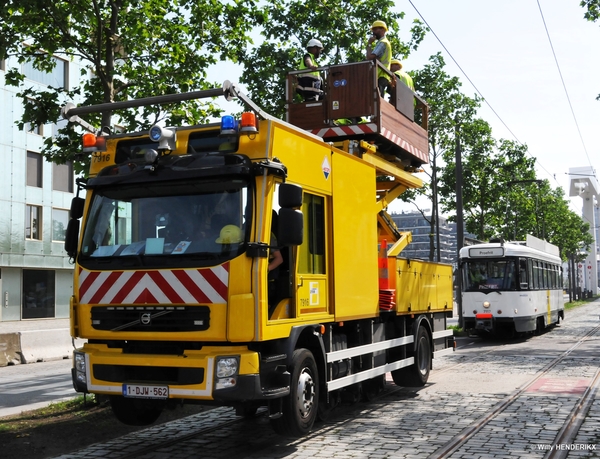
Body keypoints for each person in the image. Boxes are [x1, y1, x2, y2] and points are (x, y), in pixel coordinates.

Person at [366, 20, 392, 97]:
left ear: (383, 30)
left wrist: (369, 44)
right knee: (377, 99)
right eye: (373, 29)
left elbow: (369, 57)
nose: (374, 32)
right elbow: (373, 57)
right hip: (381, 74)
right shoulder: (382, 42)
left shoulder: (383, 42)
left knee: (377, 100)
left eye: (375, 29)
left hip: (381, 74)